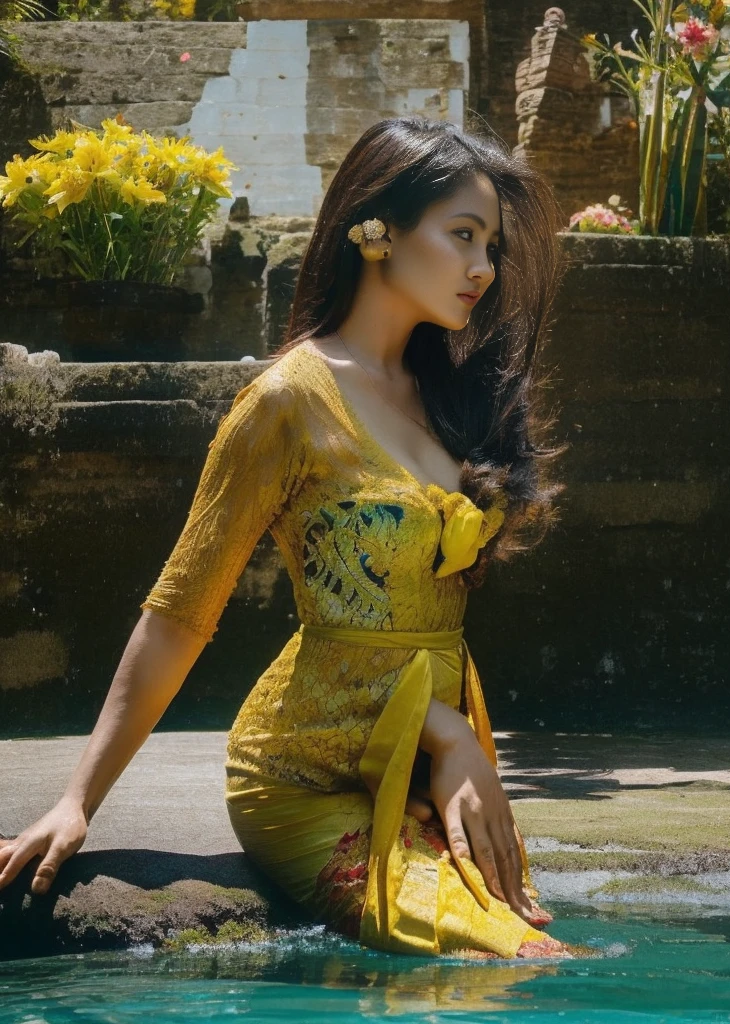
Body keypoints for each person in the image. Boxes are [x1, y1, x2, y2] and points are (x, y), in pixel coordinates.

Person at [0, 116, 569, 959]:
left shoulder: (451, 394)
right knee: (509, 960)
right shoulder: (286, 403)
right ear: (379, 233)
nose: (484, 268)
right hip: (307, 775)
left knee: (540, 948)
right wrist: (77, 799)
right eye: (462, 236)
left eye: (491, 245)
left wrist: (444, 738)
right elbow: (180, 613)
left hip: (418, 763)